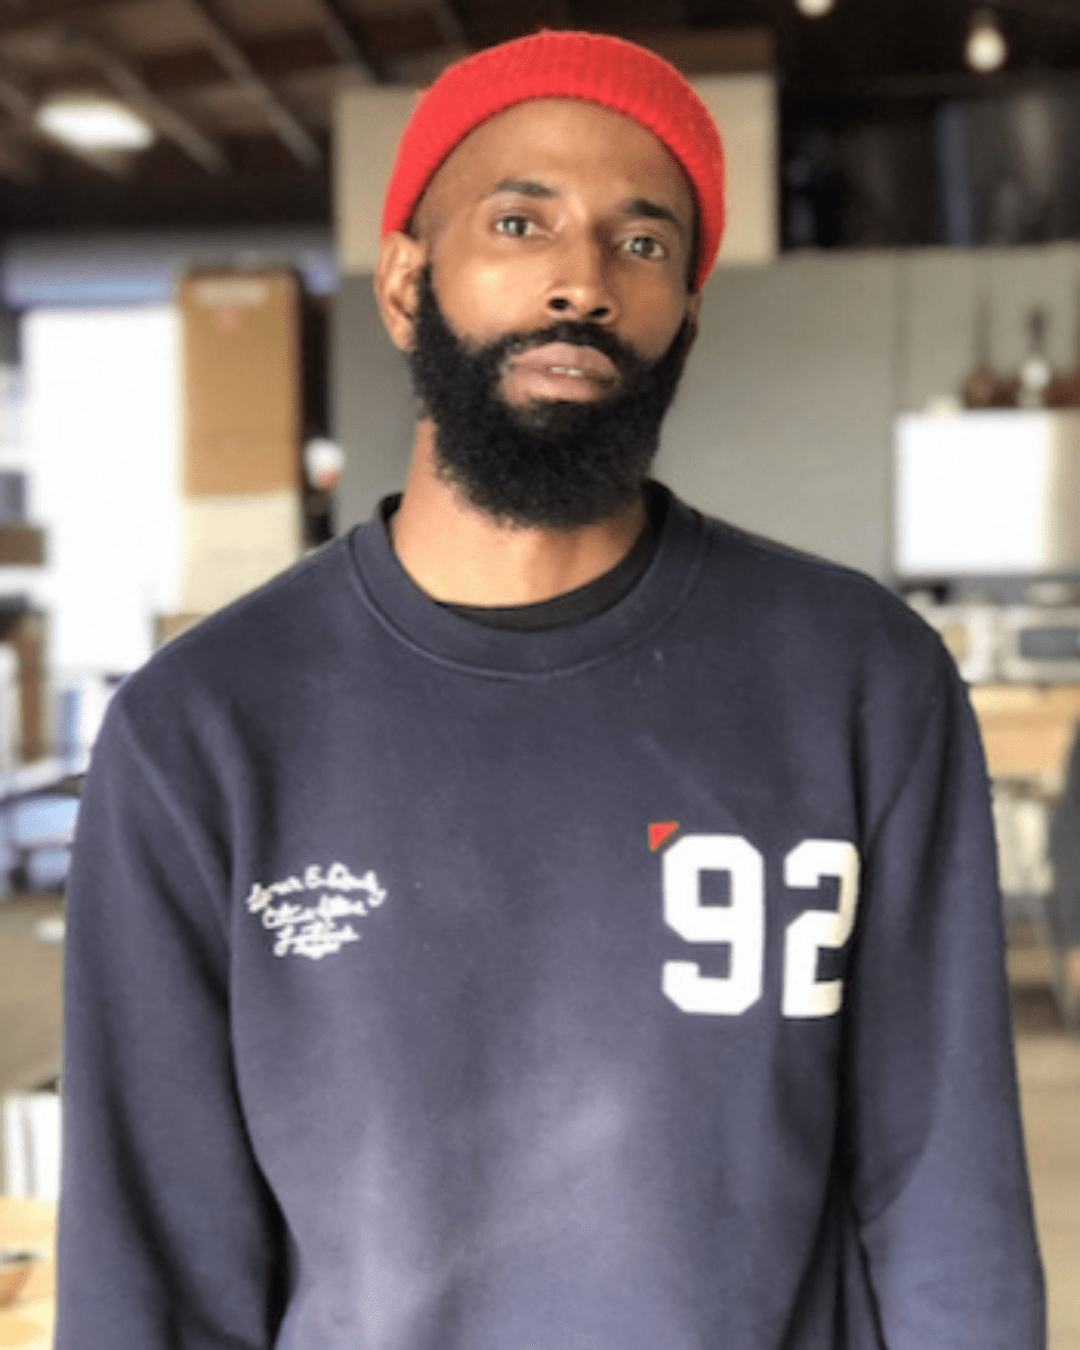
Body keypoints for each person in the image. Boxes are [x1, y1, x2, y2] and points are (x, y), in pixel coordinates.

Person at [56, 29, 1044, 1350]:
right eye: (521, 223)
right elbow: (153, 1274)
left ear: (687, 315)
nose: (583, 281)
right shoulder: (203, 731)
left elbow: (947, 1190)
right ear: (405, 281)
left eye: (642, 243)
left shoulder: (862, 678)